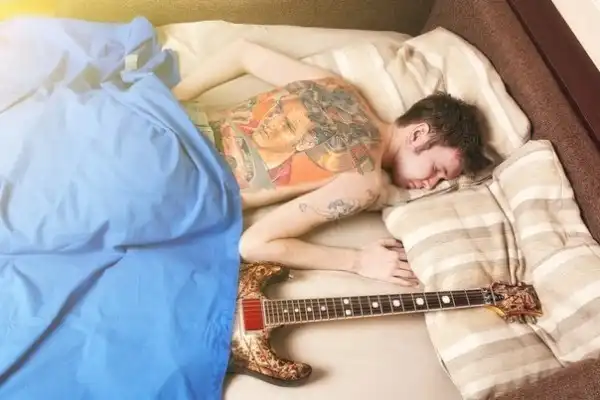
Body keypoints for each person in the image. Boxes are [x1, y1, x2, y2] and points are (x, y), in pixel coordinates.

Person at [171, 39, 491, 286]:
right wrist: (357, 261)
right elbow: (254, 245)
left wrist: (172, 98)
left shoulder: (336, 88)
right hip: (182, 184)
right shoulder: (364, 179)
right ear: (418, 134)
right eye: (438, 170)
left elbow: (241, 51)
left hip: (168, 123)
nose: (431, 185)